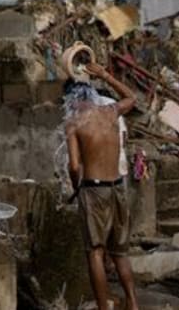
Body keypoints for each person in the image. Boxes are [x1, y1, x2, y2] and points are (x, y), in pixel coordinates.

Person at [66, 62, 139, 310]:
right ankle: (132, 302)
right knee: (120, 252)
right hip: (118, 186)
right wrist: (105, 75)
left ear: (71, 99)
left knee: (95, 251)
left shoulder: (73, 123)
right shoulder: (110, 112)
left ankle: (103, 307)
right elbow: (132, 97)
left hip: (93, 189)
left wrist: (76, 188)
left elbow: (74, 166)